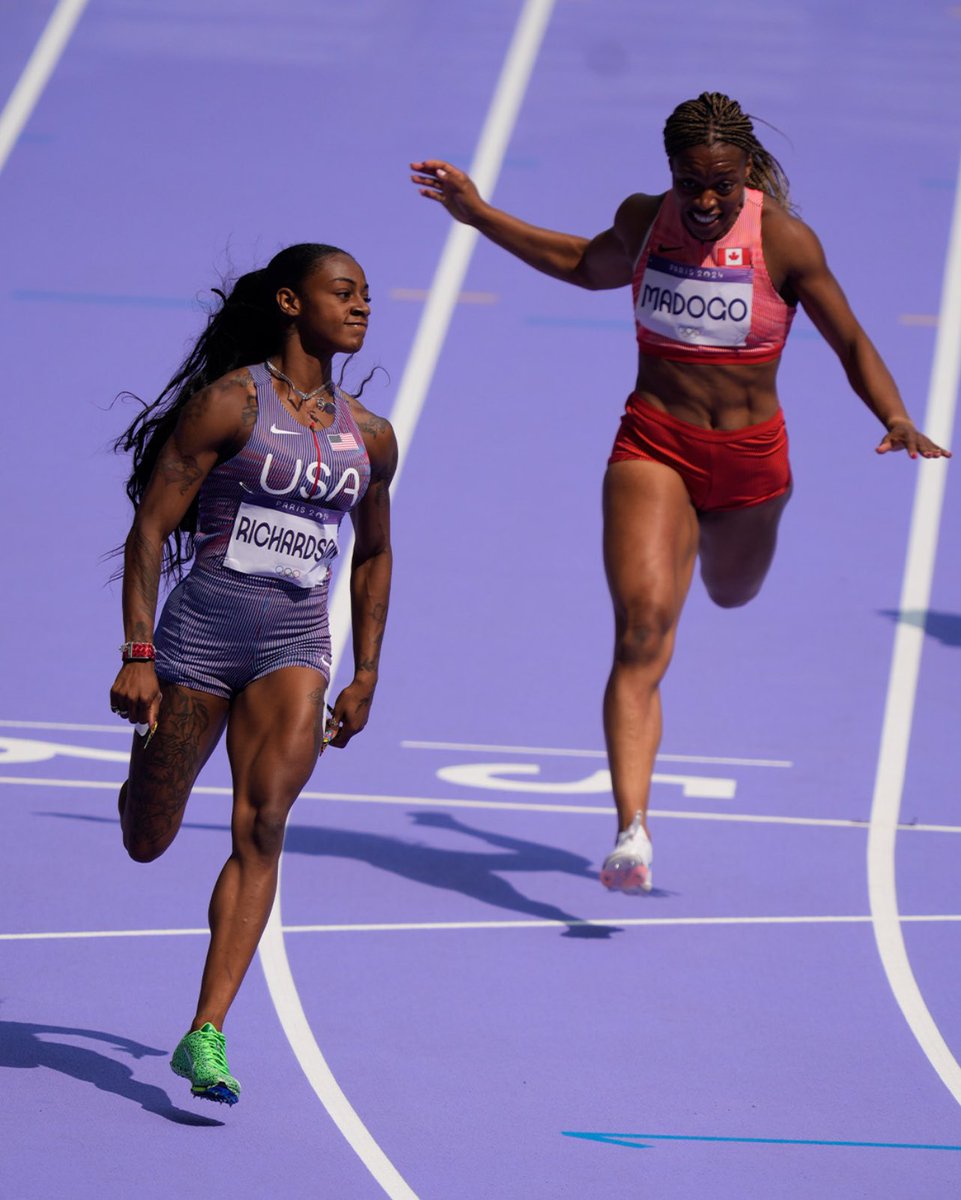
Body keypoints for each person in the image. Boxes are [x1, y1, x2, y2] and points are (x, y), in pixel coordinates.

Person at [410, 91, 950, 896]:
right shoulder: (643, 220)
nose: (704, 203)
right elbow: (577, 263)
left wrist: (895, 414)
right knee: (640, 631)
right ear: (670, 172)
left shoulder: (781, 240)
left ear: (744, 175)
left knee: (729, 594)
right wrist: (480, 213)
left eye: (721, 187)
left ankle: (702, 548)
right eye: (691, 184)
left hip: (749, 462)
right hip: (653, 442)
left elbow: (850, 339)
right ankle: (631, 828)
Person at [109, 243, 397, 1104]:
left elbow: (374, 553)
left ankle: (207, 1031)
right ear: (288, 302)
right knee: (146, 838)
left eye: (367, 296)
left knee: (263, 823)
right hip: (199, 644)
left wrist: (366, 671)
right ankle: (143, 777)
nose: (361, 307)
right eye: (342, 293)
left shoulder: (370, 437)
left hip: (296, 651)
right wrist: (138, 655)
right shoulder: (230, 404)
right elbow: (150, 530)